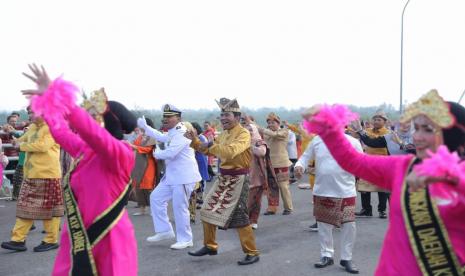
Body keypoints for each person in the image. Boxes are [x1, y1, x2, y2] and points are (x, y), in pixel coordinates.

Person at [302, 90, 465, 275]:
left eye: (428, 129)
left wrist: (451, 177)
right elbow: (352, 161)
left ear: (454, 134)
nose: (417, 136)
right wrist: (327, 126)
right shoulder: (404, 167)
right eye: (416, 128)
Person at [17, 65, 138, 275]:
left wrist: (60, 97)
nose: (88, 119)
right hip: (78, 232)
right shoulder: (85, 150)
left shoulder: (121, 153)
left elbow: (93, 133)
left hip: (109, 237)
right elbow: (61, 132)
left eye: (93, 116)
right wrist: (48, 105)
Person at [187, 98, 260, 265]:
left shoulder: (243, 133)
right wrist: (194, 141)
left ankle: (252, 252)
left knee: (240, 217)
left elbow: (229, 152)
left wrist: (208, 146)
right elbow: (208, 150)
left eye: (226, 114)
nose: (223, 118)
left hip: (239, 179)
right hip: (224, 178)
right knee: (206, 209)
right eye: (221, 115)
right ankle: (210, 246)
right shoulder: (224, 133)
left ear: (237, 116)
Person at [294, 134, 363, 274]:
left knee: (348, 225)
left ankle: (346, 258)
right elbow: (305, 157)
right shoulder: (317, 140)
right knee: (324, 224)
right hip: (322, 190)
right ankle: (327, 254)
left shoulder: (353, 142)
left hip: (346, 190)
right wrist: (299, 166)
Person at [1, 102, 63, 253]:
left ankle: (51, 240)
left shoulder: (51, 127)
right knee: (25, 207)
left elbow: (42, 146)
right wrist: (14, 138)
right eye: (29, 112)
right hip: (32, 175)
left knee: (50, 210)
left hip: (48, 175)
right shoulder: (35, 126)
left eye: (33, 112)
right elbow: (23, 139)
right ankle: (18, 240)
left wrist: (20, 146)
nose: (30, 115)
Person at [137, 104, 201, 250]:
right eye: (164, 116)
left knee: (180, 207)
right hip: (173, 176)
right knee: (156, 198)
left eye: (169, 116)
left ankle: (185, 239)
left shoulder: (182, 132)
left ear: (178, 118)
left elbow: (172, 152)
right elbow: (162, 136)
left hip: (184, 177)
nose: (165, 119)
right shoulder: (173, 131)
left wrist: (157, 154)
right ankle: (164, 230)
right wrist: (146, 128)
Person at [354, 110, 391, 219]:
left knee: (382, 188)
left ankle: (382, 210)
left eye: (379, 120)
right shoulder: (367, 131)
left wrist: (361, 132)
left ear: (385, 122)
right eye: (374, 119)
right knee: (364, 187)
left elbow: (371, 142)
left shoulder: (387, 133)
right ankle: (366, 209)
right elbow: (355, 135)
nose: (376, 121)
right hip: (368, 163)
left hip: (383, 164)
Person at [258, 113, 293, 215]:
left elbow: (274, 135)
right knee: (271, 187)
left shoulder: (284, 131)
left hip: (281, 163)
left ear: (278, 123)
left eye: (273, 122)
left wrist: (263, 130)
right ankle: (272, 208)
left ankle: (288, 207)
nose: (270, 124)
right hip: (269, 163)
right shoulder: (266, 133)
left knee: (283, 186)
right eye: (269, 123)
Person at [129, 118, 157, 216]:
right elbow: (133, 145)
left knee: (148, 186)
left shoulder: (152, 136)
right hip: (139, 163)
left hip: (148, 164)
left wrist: (135, 147)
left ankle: (154, 210)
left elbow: (148, 149)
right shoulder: (140, 136)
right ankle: (142, 209)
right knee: (138, 186)